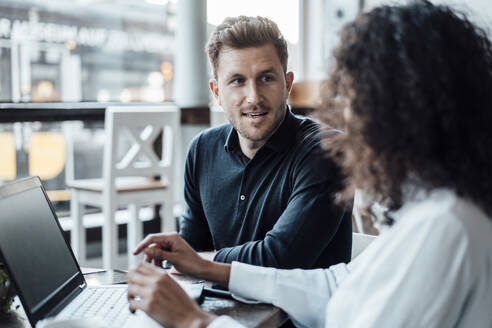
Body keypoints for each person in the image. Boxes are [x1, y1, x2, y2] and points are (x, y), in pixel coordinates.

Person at [126, 2, 492, 327]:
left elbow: (285, 259)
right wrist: (207, 268)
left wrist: (195, 323)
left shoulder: (444, 226)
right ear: (217, 90)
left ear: (407, 112)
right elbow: (337, 283)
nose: (350, 115)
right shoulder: (434, 211)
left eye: (360, 98)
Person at [171, 16, 351, 269]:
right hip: (215, 306)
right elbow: (190, 249)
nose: (253, 97)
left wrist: (189, 261)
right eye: (238, 81)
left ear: (287, 84)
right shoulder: (202, 149)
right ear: (217, 93)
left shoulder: (328, 150)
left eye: (266, 78)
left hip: (295, 309)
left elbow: (280, 258)